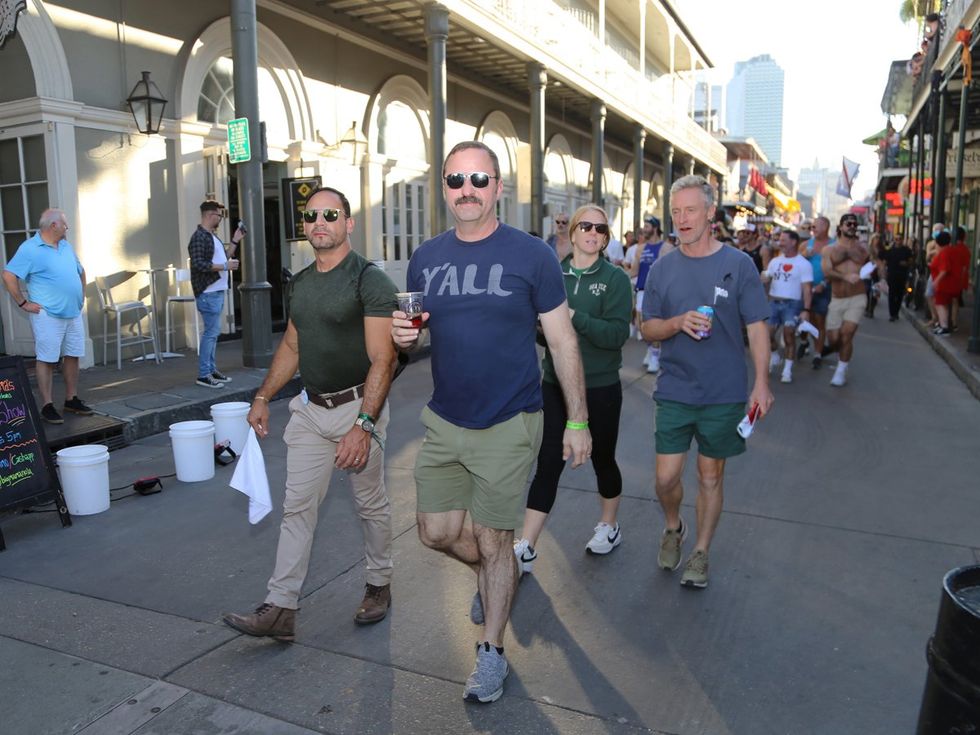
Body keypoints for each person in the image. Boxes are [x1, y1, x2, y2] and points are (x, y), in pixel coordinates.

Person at [391, 141, 590, 704]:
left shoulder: (533, 256)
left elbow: (562, 339)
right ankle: (500, 576)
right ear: (446, 189)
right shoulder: (427, 258)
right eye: (457, 180)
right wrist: (405, 337)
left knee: (493, 537)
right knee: (435, 532)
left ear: (498, 188)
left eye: (480, 180)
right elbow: (419, 332)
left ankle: (492, 652)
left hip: (510, 421)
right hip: (446, 419)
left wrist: (578, 421)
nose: (467, 190)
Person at [222, 186, 399, 641]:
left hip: (358, 409)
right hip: (310, 410)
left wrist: (364, 424)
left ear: (347, 223)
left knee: (369, 503)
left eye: (330, 214)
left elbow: (385, 359)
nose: (320, 222)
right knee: (297, 508)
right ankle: (281, 609)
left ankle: (379, 583)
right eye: (311, 215)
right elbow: (293, 346)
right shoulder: (300, 283)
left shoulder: (370, 281)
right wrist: (263, 396)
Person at [641, 175, 773, 590]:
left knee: (710, 476)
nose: (681, 219)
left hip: (723, 393)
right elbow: (647, 329)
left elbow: (757, 327)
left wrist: (762, 383)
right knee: (665, 479)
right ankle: (673, 525)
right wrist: (678, 322)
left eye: (690, 210)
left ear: (710, 213)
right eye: (676, 211)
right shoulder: (662, 268)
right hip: (676, 389)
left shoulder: (738, 265)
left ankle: (700, 551)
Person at [514, 204, 631, 572]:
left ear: (606, 237)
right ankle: (528, 545)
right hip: (554, 384)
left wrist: (575, 319)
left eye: (600, 228)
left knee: (602, 458)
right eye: (586, 226)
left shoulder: (615, 280)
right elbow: (541, 335)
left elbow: (616, 335)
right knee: (548, 461)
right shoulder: (555, 273)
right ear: (574, 231)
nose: (593, 232)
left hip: (601, 386)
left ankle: (609, 526)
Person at [2, 208, 93, 424]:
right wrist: (23, 302)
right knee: (47, 358)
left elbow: (80, 271)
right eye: (64, 224)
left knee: (73, 354)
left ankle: (71, 399)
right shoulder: (30, 249)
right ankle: (47, 405)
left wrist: (80, 296)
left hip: (72, 312)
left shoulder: (65, 246)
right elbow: (8, 275)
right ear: (53, 225)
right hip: (48, 314)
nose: (67, 227)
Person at [188, 200, 243, 388]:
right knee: (210, 334)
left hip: (216, 291)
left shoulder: (212, 237)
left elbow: (224, 257)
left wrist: (235, 240)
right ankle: (204, 374)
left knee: (213, 333)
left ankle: (210, 370)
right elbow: (198, 264)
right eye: (219, 215)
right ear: (210, 215)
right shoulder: (199, 237)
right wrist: (225, 266)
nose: (220, 218)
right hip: (208, 292)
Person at [820, 214, 869, 387]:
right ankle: (840, 355)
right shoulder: (829, 250)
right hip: (837, 298)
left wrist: (881, 279)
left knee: (847, 334)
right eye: (848, 224)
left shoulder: (863, 248)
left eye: (855, 224)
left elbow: (876, 264)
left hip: (858, 296)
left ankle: (841, 370)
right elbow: (827, 272)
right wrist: (845, 276)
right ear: (840, 226)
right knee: (834, 339)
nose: (852, 226)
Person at [762, 230, 813, 385]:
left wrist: (806, 310)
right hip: (774, 302)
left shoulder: (803, 264)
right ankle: (775, 354)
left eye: (783, 240)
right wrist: (763, 279)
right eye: (780, 240)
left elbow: (807, 289)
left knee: (789, 335)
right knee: (766, 336)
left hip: (793, 304)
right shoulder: (775, 261)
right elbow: (765, 279)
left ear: (793, 242)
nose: (780, 243)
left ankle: (787, 370)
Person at [629, 216, 673, 372]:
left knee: (653, 324)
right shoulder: (640, 248)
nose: (644, 229)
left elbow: (669, 273)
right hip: (641, 291)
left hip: (657, 292)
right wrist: (618, 275)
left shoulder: (666, 247)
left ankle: (655, 356)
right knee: (642, 326)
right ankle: (651, 350)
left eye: (647, 226)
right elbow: (634, 270)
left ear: (655, 228)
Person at [799, 216, 834, 367]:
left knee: (819, 321)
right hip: (805, 288)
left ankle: (818, 354)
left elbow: (837, 269)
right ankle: (804, 341)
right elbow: (796, 264)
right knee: (805, 318)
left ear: (825, 227)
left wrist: (824, 284)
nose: (812, 230)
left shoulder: (834, 246)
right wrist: (804, 256)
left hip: (823, 289)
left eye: (815, 227)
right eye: (811, 227)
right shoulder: (806, 245)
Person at [878, 236, 913, 321]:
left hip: (902, 275)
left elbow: (911, 261)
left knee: (900, 294)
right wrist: (883, 273)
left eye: (900, 239)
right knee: (892, 294)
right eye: (896, 239)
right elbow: (885, 262)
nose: (898, 241)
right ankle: (892, 314)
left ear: (902, 240)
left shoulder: (907, 250)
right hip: (892, 275)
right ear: (894, 240)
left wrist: (906, 263)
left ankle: (896, 312)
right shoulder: (890, 251)